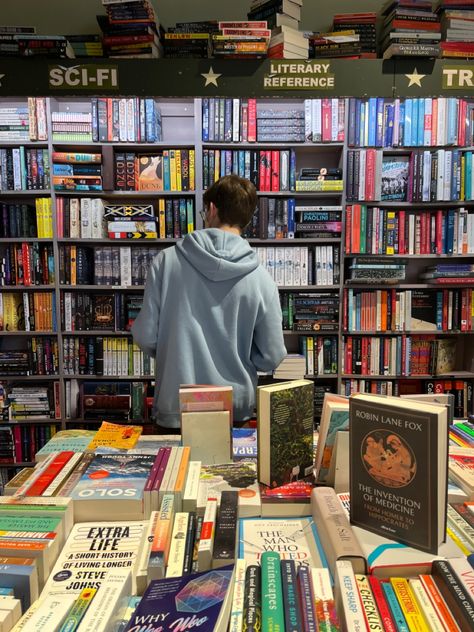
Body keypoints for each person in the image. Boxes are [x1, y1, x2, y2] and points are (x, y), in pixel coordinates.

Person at [132, 174, 287, 431]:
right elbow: (271, 356)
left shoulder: (166, 262)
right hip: (234, 412)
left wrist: (177, 354)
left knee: (174, 472)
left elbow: (147, 336)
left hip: (176, 409)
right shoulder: (262, 279)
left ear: (211, 209)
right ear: (247, 218)